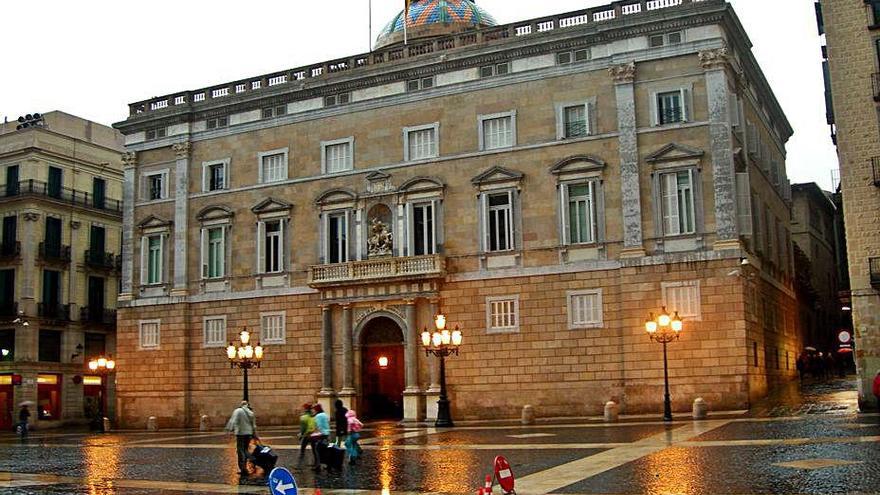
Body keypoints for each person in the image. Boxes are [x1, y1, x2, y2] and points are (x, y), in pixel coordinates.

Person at [225, 400, 257, 476]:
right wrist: (254, 434)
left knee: (240, 451)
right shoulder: (250, 412)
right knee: (245, 449)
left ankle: (247, 464)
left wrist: (229, 429)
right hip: (248, 434)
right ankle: (246, 466)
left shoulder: (238, 411)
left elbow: (233, 421)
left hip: (240, 434)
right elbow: (254, 425)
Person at [308, 403, 330, 471]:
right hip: (327, 433)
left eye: (314, 409)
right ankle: (328, 464)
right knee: (325, 450)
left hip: (321, 435)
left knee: (317, 450)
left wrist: (314, 433)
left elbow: (319, 426)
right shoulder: (325, 414)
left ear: (317, 409)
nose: (313, 410)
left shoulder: (318, 416)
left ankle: (318, 466)